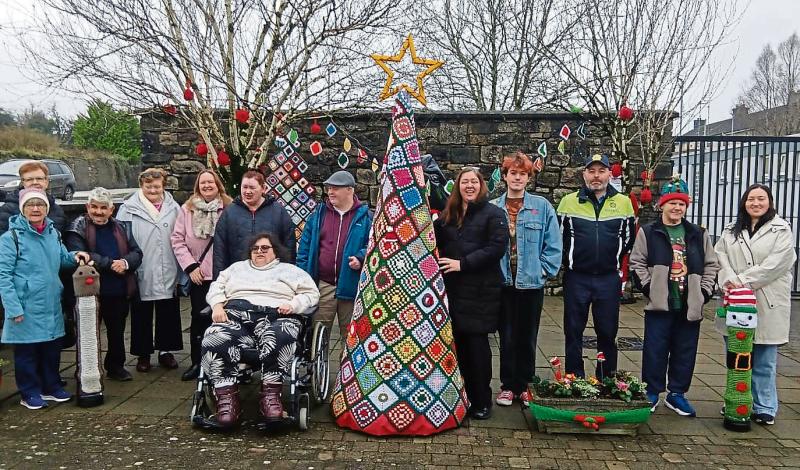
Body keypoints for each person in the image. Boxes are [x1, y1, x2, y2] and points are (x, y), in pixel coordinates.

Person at [201, 233, 319, 427]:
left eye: (265, 248)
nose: (259, 252)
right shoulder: (235, 269)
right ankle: (227, 401)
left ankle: (271, 397)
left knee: (281, 334)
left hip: (277, 315)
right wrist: (216, 306)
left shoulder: (290, 271)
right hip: (238, 314)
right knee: (214, 337)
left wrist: (294, 304)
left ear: (275, 251)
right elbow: (216, 288)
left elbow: (311, 294)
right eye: (255, 249)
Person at [629, 176, 719, 417]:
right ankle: (651, 391)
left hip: (690, 304)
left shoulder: (698, 233)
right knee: (655, 349)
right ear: (662, 204)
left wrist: (705, 291)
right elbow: (637, 262)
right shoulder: (649, 232)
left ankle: (677, 393)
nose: (677, 208)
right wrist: (649, 288)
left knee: (685, 350)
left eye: (681, 204)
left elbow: (711, 265)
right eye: (672, 203)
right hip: (660, 304)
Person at [714, 184, 796, 425]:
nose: (756, 203)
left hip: (767, 301)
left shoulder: (781, 230)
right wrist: (729, 280)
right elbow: (720, 257)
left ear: (769, 202)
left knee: (765, 359)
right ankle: (737, 401)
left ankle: (764, 406)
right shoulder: (730, 229)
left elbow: (777, 263)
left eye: (761, 199)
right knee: (738, 357)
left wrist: (741, 281)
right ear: (744, 202)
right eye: (751, 199)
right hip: (735, 301)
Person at [0, 189, 90, 409]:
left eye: (39, 205)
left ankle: (50, 386)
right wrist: (13, 308)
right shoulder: (10, 238)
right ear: (23, 209)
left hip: (50, 302)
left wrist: (74, 256)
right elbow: (4, 276)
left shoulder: (52, 233)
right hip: (26, 304)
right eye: (30, 205)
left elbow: (61, 259)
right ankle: (29, 392)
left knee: (51, 348)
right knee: (27, 352)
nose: (35, 209)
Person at [434, 167, 508, 420]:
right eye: (464, 182)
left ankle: (481, 401)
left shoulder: (494, 214)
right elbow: (435, 242)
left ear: (481, 185)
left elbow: (496, 248)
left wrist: (462, 264)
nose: (469, 186)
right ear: (458, 186)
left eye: (473, 182)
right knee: (457, 347)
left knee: (477, 348)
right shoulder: (449, 215)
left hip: (480, 292)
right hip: (453, 291)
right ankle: (459, 397)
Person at [490, 152, 562, 408]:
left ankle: (526, 385)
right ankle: (509, 385)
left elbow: (553, 245)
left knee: (527, 336)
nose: (517, 178)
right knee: (506, 336)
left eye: (523, 174)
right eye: (513, 173)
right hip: (503, 283)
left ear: (528, 178)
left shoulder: (541, 207)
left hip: (531, 283)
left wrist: (542, 271)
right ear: (505, 176)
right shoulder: (494, 208)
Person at [556, 154, 635, 379]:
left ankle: (606, 378)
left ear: (610, 174)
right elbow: (559, 237)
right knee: (573, 331)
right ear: (584, 175)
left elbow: (628, 238)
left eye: (601, 171)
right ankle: (574, 377)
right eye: (591, 171)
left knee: (608, 332)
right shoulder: (568, 202)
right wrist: (569, 261)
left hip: (608, 278)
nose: (596, 176)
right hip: (577, 277)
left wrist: (615, 261)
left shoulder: (623, 202)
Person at [65, 187, 143, 381]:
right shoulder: (77, 227)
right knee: (88, 334)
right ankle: (87, 369)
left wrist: (124, 263)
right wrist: (110, 263)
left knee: (117, 332)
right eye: (94, 207)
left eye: (103, 208)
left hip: (118, 289)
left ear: (111, 209)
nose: (98, 212)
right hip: (89, 290)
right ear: (87, 207)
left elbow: (137, 252)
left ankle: (116, 366)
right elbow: (80, 254)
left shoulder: (122, 227)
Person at [116, 168, 182, 373]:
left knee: (168, 310)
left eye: (157, 186)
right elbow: (120, 238)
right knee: (141, 313)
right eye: (148, 186)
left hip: (168, 264)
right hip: (141, 266)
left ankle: (165, 351)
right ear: (141, 186)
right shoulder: (128, 208)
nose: (153, 190)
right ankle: (143, 354)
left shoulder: (174, 207)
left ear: (163, 186)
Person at [171, 169, 232, 381]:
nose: (207, 186)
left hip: (223, 275)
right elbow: (177, 239)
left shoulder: (229, 208)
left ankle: (224, 362)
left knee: (224, 320)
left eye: (211, 182)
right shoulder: (187, 209)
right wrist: (190, 267)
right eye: (203, 183)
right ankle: (197, 362)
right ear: (198, 186)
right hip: (199, 275)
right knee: (198, 320)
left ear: (218, 185)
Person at [296, 170, 371, 339]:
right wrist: (303, 280)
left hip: (352, 286)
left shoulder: (366, 218)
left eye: (335, 188)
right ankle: (317, 366)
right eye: (329, 188)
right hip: (323, 285)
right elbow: (304, 250)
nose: (330, 192)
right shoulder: (318, 216)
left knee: (351, 337)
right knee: (318, 336)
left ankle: (348, 366)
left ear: (350, 190)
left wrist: (360, 257)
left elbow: (373, 245)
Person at [213, 170, 295, 277]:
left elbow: (289, 246)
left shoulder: (279, 212)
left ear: (263, 188)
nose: (247, 191)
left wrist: (288, 277)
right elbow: (220, 250)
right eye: (244, 187)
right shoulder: (229, 213)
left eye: (252, 188)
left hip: (272, 276)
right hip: (238, 277)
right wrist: (218, 280)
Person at [0, 160, 66, 234]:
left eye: (39, 179)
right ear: (23, 183)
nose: (35, 182)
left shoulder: (57, 210)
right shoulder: (8, 210)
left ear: (46, 182)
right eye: (29, 179)